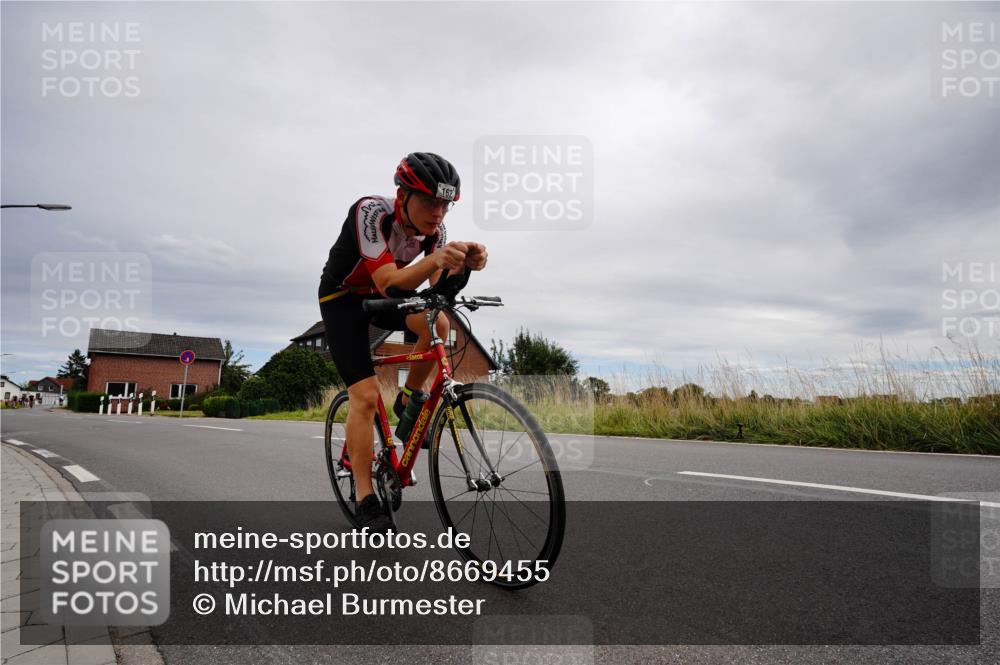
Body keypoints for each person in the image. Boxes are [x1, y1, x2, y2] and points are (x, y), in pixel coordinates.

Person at [318, 152, 488, 533]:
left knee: (438, 324)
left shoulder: (435, 236)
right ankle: (365, 499)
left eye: (446, 204)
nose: (438, 212)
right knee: (362, 396)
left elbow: (435, 296)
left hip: (386, 299)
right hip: (343, 300)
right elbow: (390, 282)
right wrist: (438, 259)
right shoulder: (370, 213)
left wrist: (462, 269)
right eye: (430, 201)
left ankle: (408, 403)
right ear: (402, 196)